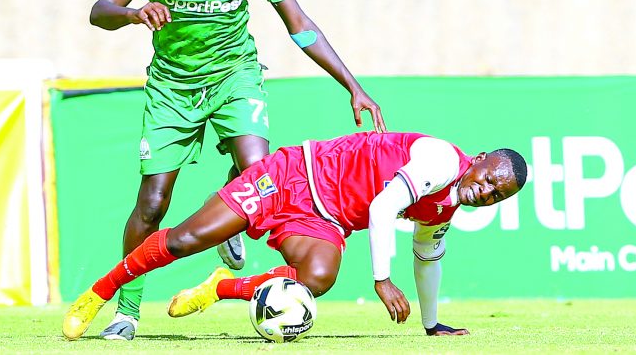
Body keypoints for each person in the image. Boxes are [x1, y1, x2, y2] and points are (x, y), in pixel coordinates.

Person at [87, 0, 385, 341]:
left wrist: (352, 85)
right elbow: (99, 11)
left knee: (258, 171)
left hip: (235, 76)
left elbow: (300, 24)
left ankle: (226, 223)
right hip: (172, 89)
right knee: (153, 203)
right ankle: (127, 310)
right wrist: (132, 13)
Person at [62, 131, 528, 340]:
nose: (485, 192)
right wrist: (381, 279)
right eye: (490, 180)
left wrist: (431, 323)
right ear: (481, 158)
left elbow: (428, 259)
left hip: (325, 220)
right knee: (185, 240)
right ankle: (97, 294)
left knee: (319, 277)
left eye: (496, 197)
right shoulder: (444, 161)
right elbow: (383, 206)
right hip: (293, 176)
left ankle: (220, 288)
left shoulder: (446, 206)